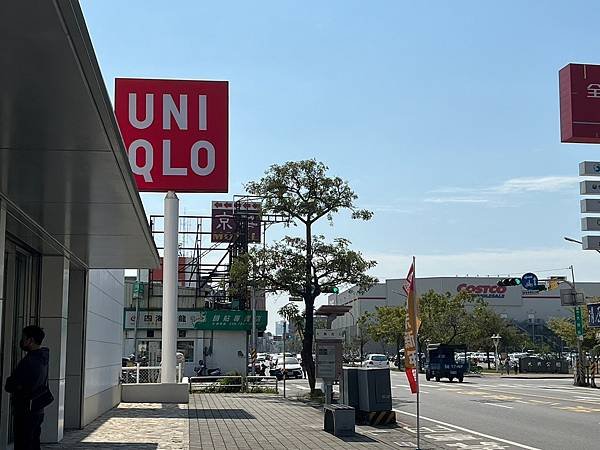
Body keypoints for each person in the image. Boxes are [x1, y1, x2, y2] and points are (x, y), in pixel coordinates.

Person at [5, 325, 51, 450]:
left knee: (23, 444)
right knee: (34, 443)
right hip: (37, 409)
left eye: (23, 338)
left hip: (25, 411)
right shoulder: (43, 357)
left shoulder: (29, 361)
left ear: (30, 340)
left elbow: (10, 385)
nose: (21, 341)